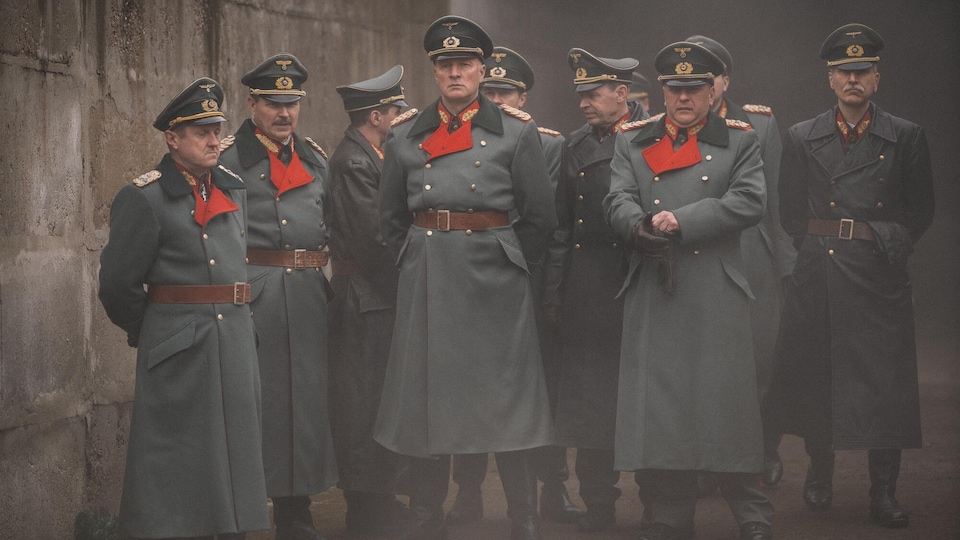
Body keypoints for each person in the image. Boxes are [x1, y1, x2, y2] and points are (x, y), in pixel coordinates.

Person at [375, 15, 557, 540]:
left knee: (509, 404)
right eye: (445, 64)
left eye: (465, 63)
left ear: (482, 69)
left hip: (497, 283)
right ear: (435, 72)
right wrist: (415, 264)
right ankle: (427, 518)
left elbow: (540, 218)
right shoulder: (406, 134)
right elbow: (390, 220)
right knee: (428, 405)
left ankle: (524, 518)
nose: (455, 73)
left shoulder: (517, 133)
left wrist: (508, 260)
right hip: (429, 278)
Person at [765, 23, 934, 529]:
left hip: (877, 277)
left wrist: (884, 243)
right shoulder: (801, 136)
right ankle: (821, 473)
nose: (853, 80)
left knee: (885, 386)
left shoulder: (906, 136)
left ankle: (883, 493)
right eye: (844, 72)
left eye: (862, 72)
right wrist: (816, 251)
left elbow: (921, 210)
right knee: (821, 379)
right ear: (831, 80)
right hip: (820, 274)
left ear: (876, 79)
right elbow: (789, 211)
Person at [603, 42, 773, 540]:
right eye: (674, 88)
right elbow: (617, 198)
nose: (682, 98)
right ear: (662, 91)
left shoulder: (740, 140)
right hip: (655, 287)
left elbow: (749, 201)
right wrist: (636, 227)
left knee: (729, 407)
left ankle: (752, 514)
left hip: (713, 286)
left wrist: (682, 219)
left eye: (693, 89)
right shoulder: (631, 140)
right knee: (660, 411)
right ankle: (667, 514)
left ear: (713, 89)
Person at [99, 78, 268, 540]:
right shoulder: (144, 197)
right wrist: (155, 330)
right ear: (172, 139)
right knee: (176, 462)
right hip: (178, 349)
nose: (215, 140)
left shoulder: (233, 188)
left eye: (217, 129)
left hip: (233, 340)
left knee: (233, 455)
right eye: (201, 132)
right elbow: (117, 285)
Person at [445, 45, 584, 529]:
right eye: (491, 92)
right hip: (478, 282)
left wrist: (548, 292)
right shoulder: (461, 136)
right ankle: (466, 492)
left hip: (530, 279)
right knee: (471, 389)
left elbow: (556, 225)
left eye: (507, 93)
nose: (499, 101)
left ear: (525, 96)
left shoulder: (547, 143)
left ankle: (553, 488)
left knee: (534, 395)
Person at [219, 53, 337, 540]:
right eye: (273, 103)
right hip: (254, 292)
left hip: (308, 293)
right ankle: (242, 507)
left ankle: (296, 508)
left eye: (291, 103)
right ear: (252, 104)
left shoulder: (314, 157)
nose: (283, 113)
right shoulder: (227, 158)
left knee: (305, 402)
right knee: (255, 403)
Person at [542, 47, 647, 533]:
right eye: (580, 93)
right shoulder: (573, 145)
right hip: (586, 288)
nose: (583, 101)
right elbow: (561, 228)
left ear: (621, 93)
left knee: (644, 399)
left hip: (637, 283)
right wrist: (555, 293)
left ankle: (660, 505)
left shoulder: (652, 137)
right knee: (588, 404)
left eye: (593, 93)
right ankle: (599, 505)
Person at [686, 34, 797, 489]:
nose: (697, 88)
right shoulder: (671, 125)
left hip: (752, 255)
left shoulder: (759, 125)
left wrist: (788, 266)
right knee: (701, 362)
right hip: (696, 253)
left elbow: (778, 203)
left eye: (707, 77)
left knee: (758, 360)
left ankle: (762, 451)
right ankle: (704, 461)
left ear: (724, 81)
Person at [326, 65, 413, 537]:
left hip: (373, 297)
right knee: (361, 405)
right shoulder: (355, 163)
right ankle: (363, 509)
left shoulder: (371, 155)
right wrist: (413, 285)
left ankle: (379, 500)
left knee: (378, 401)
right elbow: (374, 241)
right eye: (396, 111)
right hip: (366, 299)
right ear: (377, 116)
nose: (401, 117)